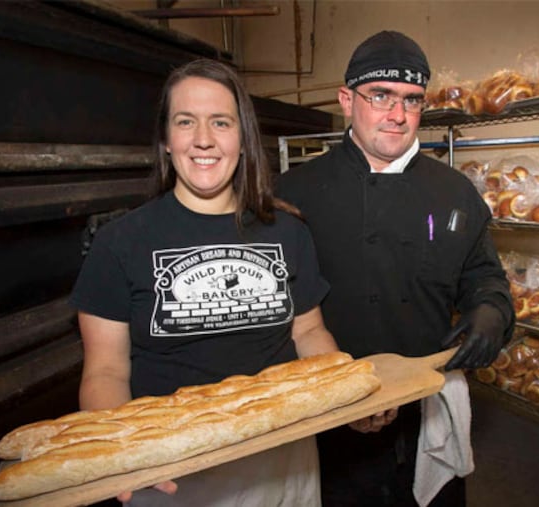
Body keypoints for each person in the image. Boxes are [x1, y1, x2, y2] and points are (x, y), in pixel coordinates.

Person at [70, 58, 338, 507]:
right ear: (166, 140)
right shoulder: (120, 243)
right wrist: (126, 453)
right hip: (175, 475)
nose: (204, 140)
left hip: (283, 460)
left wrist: (343, 393)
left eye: (221, 122)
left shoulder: (288, 232)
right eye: (185, 122)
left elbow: (309, 332)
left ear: (243, 138)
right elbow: (106, 370)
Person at [275, 31, 515, 507]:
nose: (398, 114)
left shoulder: (454, 193)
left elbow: (486, 278)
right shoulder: (292, 194)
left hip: (423, 407)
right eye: (380, 95)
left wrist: (492, 312)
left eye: (412, 100)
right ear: (347, 100)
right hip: (326, 419)